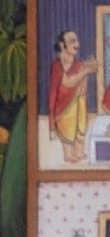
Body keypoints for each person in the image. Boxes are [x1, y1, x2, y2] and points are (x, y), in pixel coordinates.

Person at [49, 30, 98, 165]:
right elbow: (67, 82)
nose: (76, 44)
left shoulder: (78, 63)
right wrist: (86, 71)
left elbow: (83, 78)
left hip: (80, 101)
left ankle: (79, 152)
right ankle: (68, 155)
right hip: (65, 105)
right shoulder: (57, 65)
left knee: (81, 127)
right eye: (72, 41)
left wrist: (88, 68)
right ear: (62, 45)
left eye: (76, 41)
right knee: (68, 128)